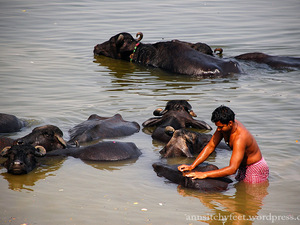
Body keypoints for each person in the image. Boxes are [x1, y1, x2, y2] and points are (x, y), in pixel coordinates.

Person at [178, 105, 269, 183]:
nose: (218, 129)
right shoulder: (224, 127)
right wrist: (192, 166)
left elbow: (232, 169)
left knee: (250, 199)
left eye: (220, 127)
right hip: (241, 167)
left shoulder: (240, 138)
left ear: (230, 123)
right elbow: (211, 146)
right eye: (217, 126)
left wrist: (204, 174)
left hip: (254, 168)